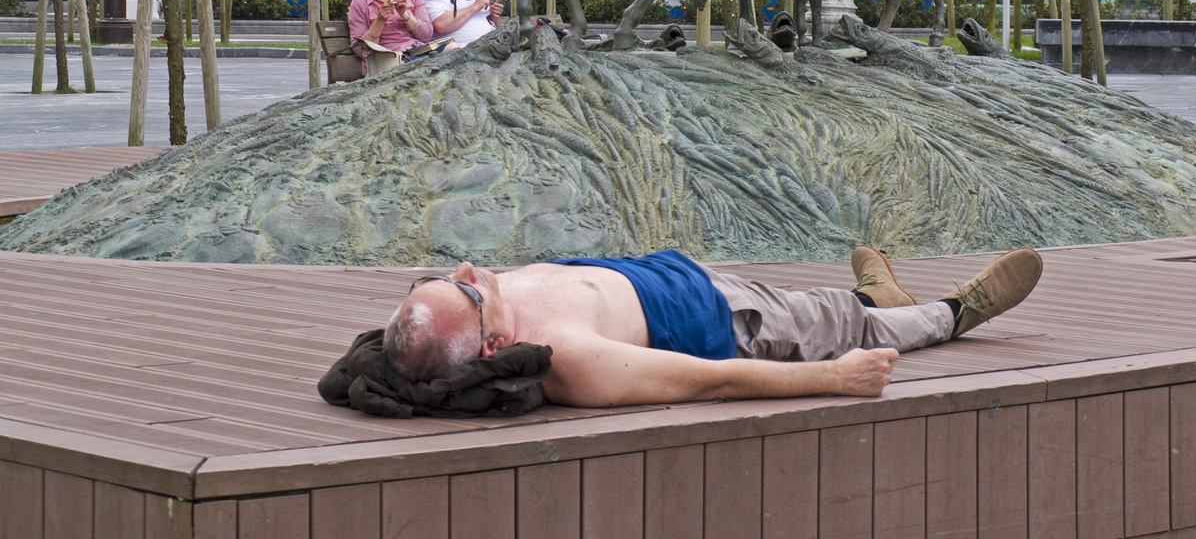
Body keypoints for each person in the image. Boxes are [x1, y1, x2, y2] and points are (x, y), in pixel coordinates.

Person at [382, 244, 1043, 407]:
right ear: (492, 343)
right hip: (734, 325)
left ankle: (874, 294)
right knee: (846, 328)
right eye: (466, 289)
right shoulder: (569, 358)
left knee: (827, 306)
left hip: (686, 280)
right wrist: (830, 379)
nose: (470, 270)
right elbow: (707, 382)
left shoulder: (461, 310)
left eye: (448, 275)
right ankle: (954, 313)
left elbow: (419, 333)